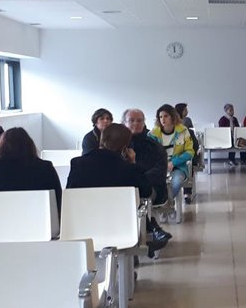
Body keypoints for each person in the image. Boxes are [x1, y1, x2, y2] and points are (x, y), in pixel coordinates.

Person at [67, 123, 168, 257]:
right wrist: (133, 163)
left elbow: (70, 193)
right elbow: (146, 192)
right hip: (120, 226)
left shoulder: (77, 164)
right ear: (125, 148)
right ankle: (151, 228)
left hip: (82, 225)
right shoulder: (129, 169)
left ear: (101, 140)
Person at [123, 108, 173, 249]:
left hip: (150, 188)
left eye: (139, 121)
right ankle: (153, 228)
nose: (135, 124)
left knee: (136, 195)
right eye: (131, 120)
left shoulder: (154, 146)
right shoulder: (118, 145)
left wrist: (137, 181)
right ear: (124, 123)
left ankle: (147, 232)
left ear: (144, 123)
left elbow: (158, 173)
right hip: (124, 189)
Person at [0, 126, 62, 212]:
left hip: (4, 218)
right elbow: (59, 200)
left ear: (1, 148)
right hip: (40, 218)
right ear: (30, 146)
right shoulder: (46, 168)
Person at [150, 104, 194, 200]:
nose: (163, 119)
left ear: (173, 117)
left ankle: (166, 202)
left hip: (178, 167)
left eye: (166, 116)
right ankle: (159, 203)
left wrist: (173, 162)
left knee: (176, 182)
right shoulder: (153, 134)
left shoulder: (183, 131)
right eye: (160, 117)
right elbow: (149, 153)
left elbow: (190, 152)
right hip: (158, 167)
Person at [218, 103, 239, 167]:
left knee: (240, 140)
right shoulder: (222, 119)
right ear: (226, 111)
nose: (232, 111)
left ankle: (238, 160)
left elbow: (238, 128)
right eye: (230, 110)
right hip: (226, 136)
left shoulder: (234, 119)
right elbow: (222, 130)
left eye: (233, 110)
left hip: (234, 135)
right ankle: (231, 160)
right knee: (232, 141)